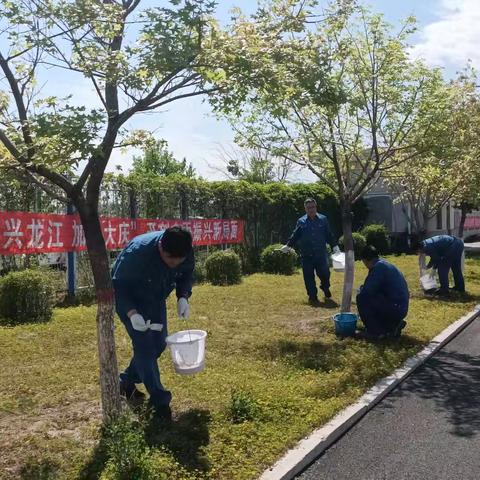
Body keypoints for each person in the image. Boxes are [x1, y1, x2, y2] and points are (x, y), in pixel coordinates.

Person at [112, 226, 194, 420]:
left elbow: (187, 273)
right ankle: (160, 401)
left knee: (159, 344)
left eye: (178, 261)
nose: (174, 265)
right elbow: (119, 287)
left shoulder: (185, 250)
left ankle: (124, 381)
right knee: (145, 347)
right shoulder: (137, 253)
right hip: (131, 302)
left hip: (155, 298)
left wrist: (183, 296)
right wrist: (132, 314)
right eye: (170, 260)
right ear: (160, 248)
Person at [280, 198, 340, 305]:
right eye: (308, 208)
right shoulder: (301, 221)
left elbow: (329, 234)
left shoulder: (323, 219)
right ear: (305, 209)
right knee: (308, 277)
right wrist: (288, 245)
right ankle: (312, 297)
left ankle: (325, 287)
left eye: (313, 207)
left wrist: (334, 246)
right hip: (306, 255)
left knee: (325, 274)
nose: (311, 209)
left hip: (320, 254)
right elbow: (296, 235)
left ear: (316, 207)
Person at [356, 245, 409, 339]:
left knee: (361, 297)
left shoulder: (378, 269)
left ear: (365, 260)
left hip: (394, 308)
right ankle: (392, 326)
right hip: (401, 307)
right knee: (374, 297)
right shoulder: (385, 264)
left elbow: (367, 292)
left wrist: (361, 290)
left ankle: (375, 332)